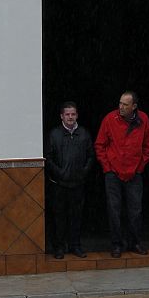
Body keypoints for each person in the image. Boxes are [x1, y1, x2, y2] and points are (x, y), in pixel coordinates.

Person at [94, 91, 149, 258]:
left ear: (134, 106)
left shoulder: (144, 119)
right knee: (114, 210)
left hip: (134, 173)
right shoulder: (109, 119)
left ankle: (135, 242)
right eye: (120, 103)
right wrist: (107, 167)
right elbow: (100, 145)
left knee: (135, 210)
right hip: (113, 172)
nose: (121, 107)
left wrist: (140, 167)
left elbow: (148, 146)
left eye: (125, 104)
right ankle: (116, 244)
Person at [46, 101, 94, 259]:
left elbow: (91, 156)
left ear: (77, 115)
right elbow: (49, 158)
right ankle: (59, 247)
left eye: (73, 114)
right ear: (61, 116)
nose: (70, 117)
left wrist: (83, 172)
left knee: (77, 217)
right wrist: (59, 173)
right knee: (59, 217)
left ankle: (76, 246)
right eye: (67, 114)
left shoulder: (84, 134)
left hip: (78, 184)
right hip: (59, 184)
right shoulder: (54, 134)